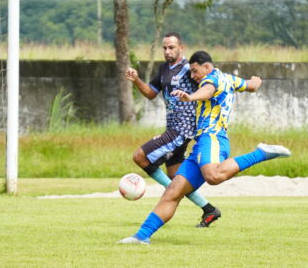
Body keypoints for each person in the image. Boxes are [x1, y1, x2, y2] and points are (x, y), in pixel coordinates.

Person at [118, 51, 291, 244]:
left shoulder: (210, 80)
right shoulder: (229, 78)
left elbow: (207, 91)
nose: (192, 76)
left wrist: (190, 98)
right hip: (201, 143)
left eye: (194, 71)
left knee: (214, 176)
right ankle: (141, 237)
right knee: (173, 192)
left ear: (207, 67)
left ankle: (260, 153)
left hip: (213, 138)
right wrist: (254, 82)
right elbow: (249, 86)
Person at [124, 32, 221, 227]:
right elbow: (151, 93)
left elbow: (211, 82)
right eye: (165, 48)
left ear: (181, 48)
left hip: (181, 130)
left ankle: (171, 197)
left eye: (171, 47)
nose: (167, 51)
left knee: (139, 157)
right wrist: (136, 80)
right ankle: (209, 210)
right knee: (176, 177)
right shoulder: (164, 69)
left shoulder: (188, 69)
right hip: (172, 128)